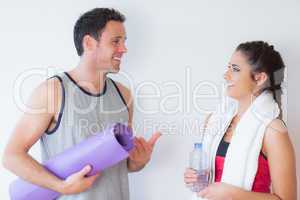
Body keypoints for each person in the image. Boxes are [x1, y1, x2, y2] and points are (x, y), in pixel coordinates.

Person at [3, 8, 161, 200]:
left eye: (124, 41)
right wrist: (61, 186)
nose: (124, 49)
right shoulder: (54, 91)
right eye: (116, 41)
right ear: (89, 43)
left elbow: (118, 165)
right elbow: (12, 156)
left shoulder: (123, 95)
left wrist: (138, 162)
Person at [184, 41, 297, 200]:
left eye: (235, 69)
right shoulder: (214, 121)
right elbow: (212, 177)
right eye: (228, 68)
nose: (226, 75)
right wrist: (195, 177)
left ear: (259, 78)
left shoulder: (274, 131)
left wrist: (233, 195)